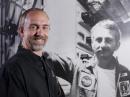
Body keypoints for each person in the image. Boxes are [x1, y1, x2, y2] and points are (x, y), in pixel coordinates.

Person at [0, 8, 75, 97]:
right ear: (21, 31)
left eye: (45, 27)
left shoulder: (47, 65)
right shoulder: (13, 69)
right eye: (33, 27)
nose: (40, 32)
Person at [70, 19, 130, 97]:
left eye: (108, 40)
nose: (102, 45)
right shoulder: (79, 68)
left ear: (117, 45)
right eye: (98, 40)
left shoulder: (125, 74)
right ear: (92, 43)